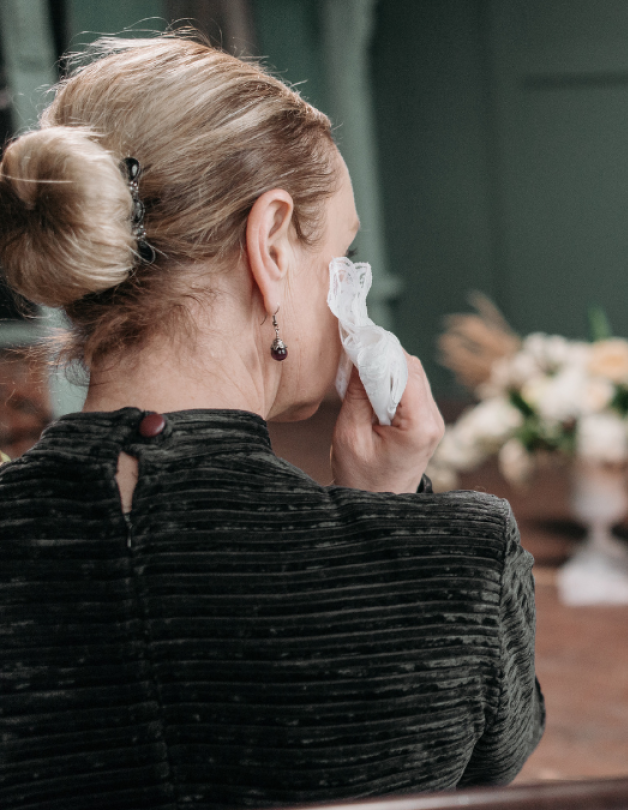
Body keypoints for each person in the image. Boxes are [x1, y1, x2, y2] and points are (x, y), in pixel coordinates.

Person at [0, 34, 543, 808]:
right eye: (341, 252)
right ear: (271, 244)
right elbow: (486, 766)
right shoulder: (458, 562)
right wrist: (392, 524)